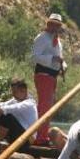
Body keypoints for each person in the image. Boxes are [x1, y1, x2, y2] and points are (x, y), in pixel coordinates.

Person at [32, 13, 66, 146]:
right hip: (43, 75)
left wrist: (63, 66)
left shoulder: (57, 41)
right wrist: (53, 59)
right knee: (45, 107)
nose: (55, 27)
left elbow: (59, 58)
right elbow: (35, 57)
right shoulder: (42, 38)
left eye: (57, 25)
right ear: (48, 24)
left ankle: (42, 136)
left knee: (48, 107)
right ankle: (40, 138)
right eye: (53, 24)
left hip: (52, 77)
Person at [0, 78, 37, 150]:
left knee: (7, 117)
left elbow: (5, 109)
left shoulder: (29, 103)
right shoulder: (15, 100)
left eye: (15, 92)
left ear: (23, 91)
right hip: (16, 135)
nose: (13, 94)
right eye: (12, 92)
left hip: (27, 139)